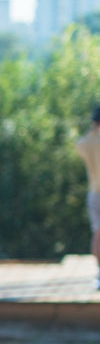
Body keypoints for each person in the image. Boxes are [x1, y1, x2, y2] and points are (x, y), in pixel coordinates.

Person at [75, 105, 100, 288]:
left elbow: (79, 144)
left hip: (93, 192)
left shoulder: (86, 142)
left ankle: (99, 272)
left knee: (97, 233)